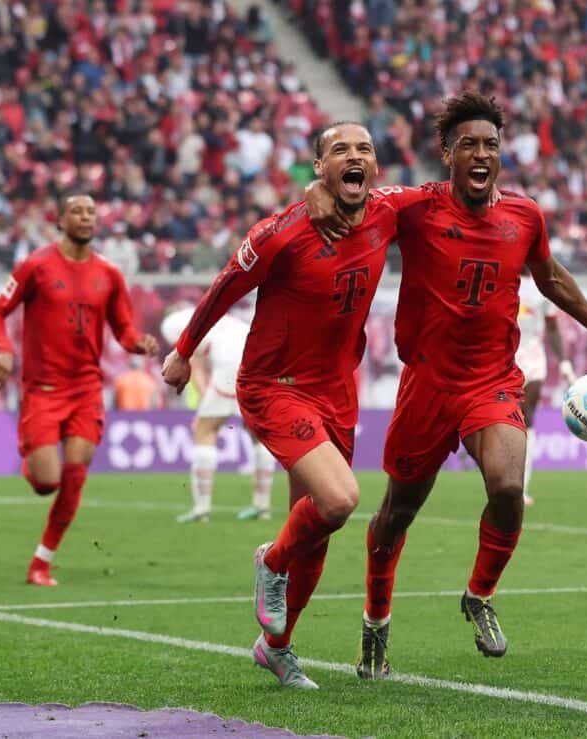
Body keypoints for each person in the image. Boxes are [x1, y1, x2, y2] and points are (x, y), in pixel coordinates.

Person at [305, 92, 587, 678]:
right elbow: (352, 194)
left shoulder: (525, 216)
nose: (481, 153)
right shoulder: (415, 207)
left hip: (492, 380)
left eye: (491, 144)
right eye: (468, 144)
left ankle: (480, 595)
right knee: (396, 515)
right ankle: (375, 622)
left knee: (508, 487)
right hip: (426, 386)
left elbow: (549, 275)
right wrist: (316, 190)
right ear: (448, 153)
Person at [161, 122, 399, 689]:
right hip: (275, 385)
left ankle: (276, 647)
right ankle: (271, 561)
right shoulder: (280, 233)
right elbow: (224, 287)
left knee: (316, 531)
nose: (354, 156)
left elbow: (449, 199)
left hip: (337, 390)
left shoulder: (390, 212)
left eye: (364, 148)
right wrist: (182, 351)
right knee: (339, 499)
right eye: (339, 150)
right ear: (319, 167)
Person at [0, 192, 158, 587]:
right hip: (43, 389)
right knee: (47, 482)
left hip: (86, 389)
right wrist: (5, 349)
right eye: (76, 211)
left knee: (76, 474)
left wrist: (137, 343)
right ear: (60, 221)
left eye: (91, 212)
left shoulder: (109, 273)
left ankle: (41, 562)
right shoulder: (36, 266)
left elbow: (123, 327)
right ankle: (33, 458)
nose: (85, 217)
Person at [159, 304, 277, 523]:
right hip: (257, 360)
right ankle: (262, 507)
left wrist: (206, 402)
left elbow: (190, 361)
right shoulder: (216, 317)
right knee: (257, 434)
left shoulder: (171, 324)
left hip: (228, 364)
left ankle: (201, 509)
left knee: (205, 430)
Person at [515, 275, 577, 505]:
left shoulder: (542, 287)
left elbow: (552, 328)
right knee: (506, 418)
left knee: (526, 417)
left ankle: (521, 487)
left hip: (532, 355)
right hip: (504, 353)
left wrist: (564, 362)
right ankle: (501, 479)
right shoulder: (505, 278)